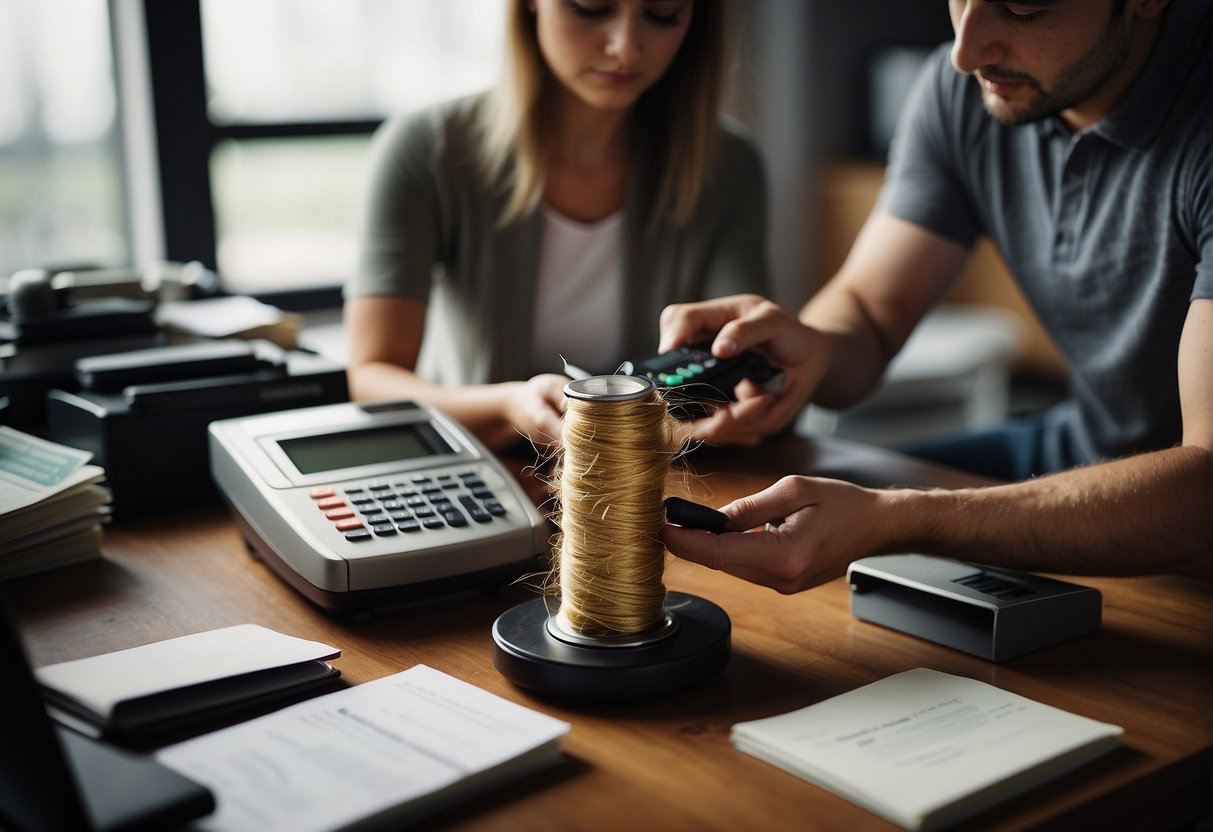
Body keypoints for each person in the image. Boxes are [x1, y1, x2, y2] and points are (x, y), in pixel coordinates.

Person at [658, 0, 1211, 591]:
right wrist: (808, 347)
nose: (964, 52)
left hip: (1184, 501)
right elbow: (870, 313)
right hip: (1076, 445)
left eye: (1021, 10)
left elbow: (1204, 489)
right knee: (794, 499)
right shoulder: (967, 90)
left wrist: (911, 520)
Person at [345, 0, 769, 452]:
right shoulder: (425, 151)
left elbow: (747, 362)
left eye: (663, 14)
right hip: (478, 474)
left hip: (654, 480)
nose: (625, 48)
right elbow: (370, 377)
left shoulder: (727, 166)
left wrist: (753, 403)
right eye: (590, 8)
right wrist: (508, 405)